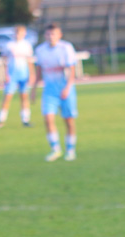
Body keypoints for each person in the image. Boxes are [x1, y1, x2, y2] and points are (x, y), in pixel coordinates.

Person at [31, 23, 78, 161]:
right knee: (48, 118)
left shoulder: (66, 48)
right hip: (49, 90)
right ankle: (55, 149)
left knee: (68, 120)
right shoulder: (40, 50)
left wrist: (67, 88)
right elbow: (39, 71)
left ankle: (70, 150)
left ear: (59, 35)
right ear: (45, 35)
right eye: (48, 34)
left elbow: (72, 70)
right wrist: (34, 89)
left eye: (53, 34)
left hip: (64, 88)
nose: (50, 37)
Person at [0, 25, 34, 130]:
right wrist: (5, 74)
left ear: (24, 34)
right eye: (16, 33)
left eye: (21, 33)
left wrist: (32, 74)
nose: (18, 35)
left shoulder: (26, 45)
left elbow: (29, 61)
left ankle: (25, 119)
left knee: (24, 96)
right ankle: (1, 120)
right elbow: (4, 61)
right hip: (12, 74)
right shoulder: (9, 45)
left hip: (23, 74)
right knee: (7, 97)